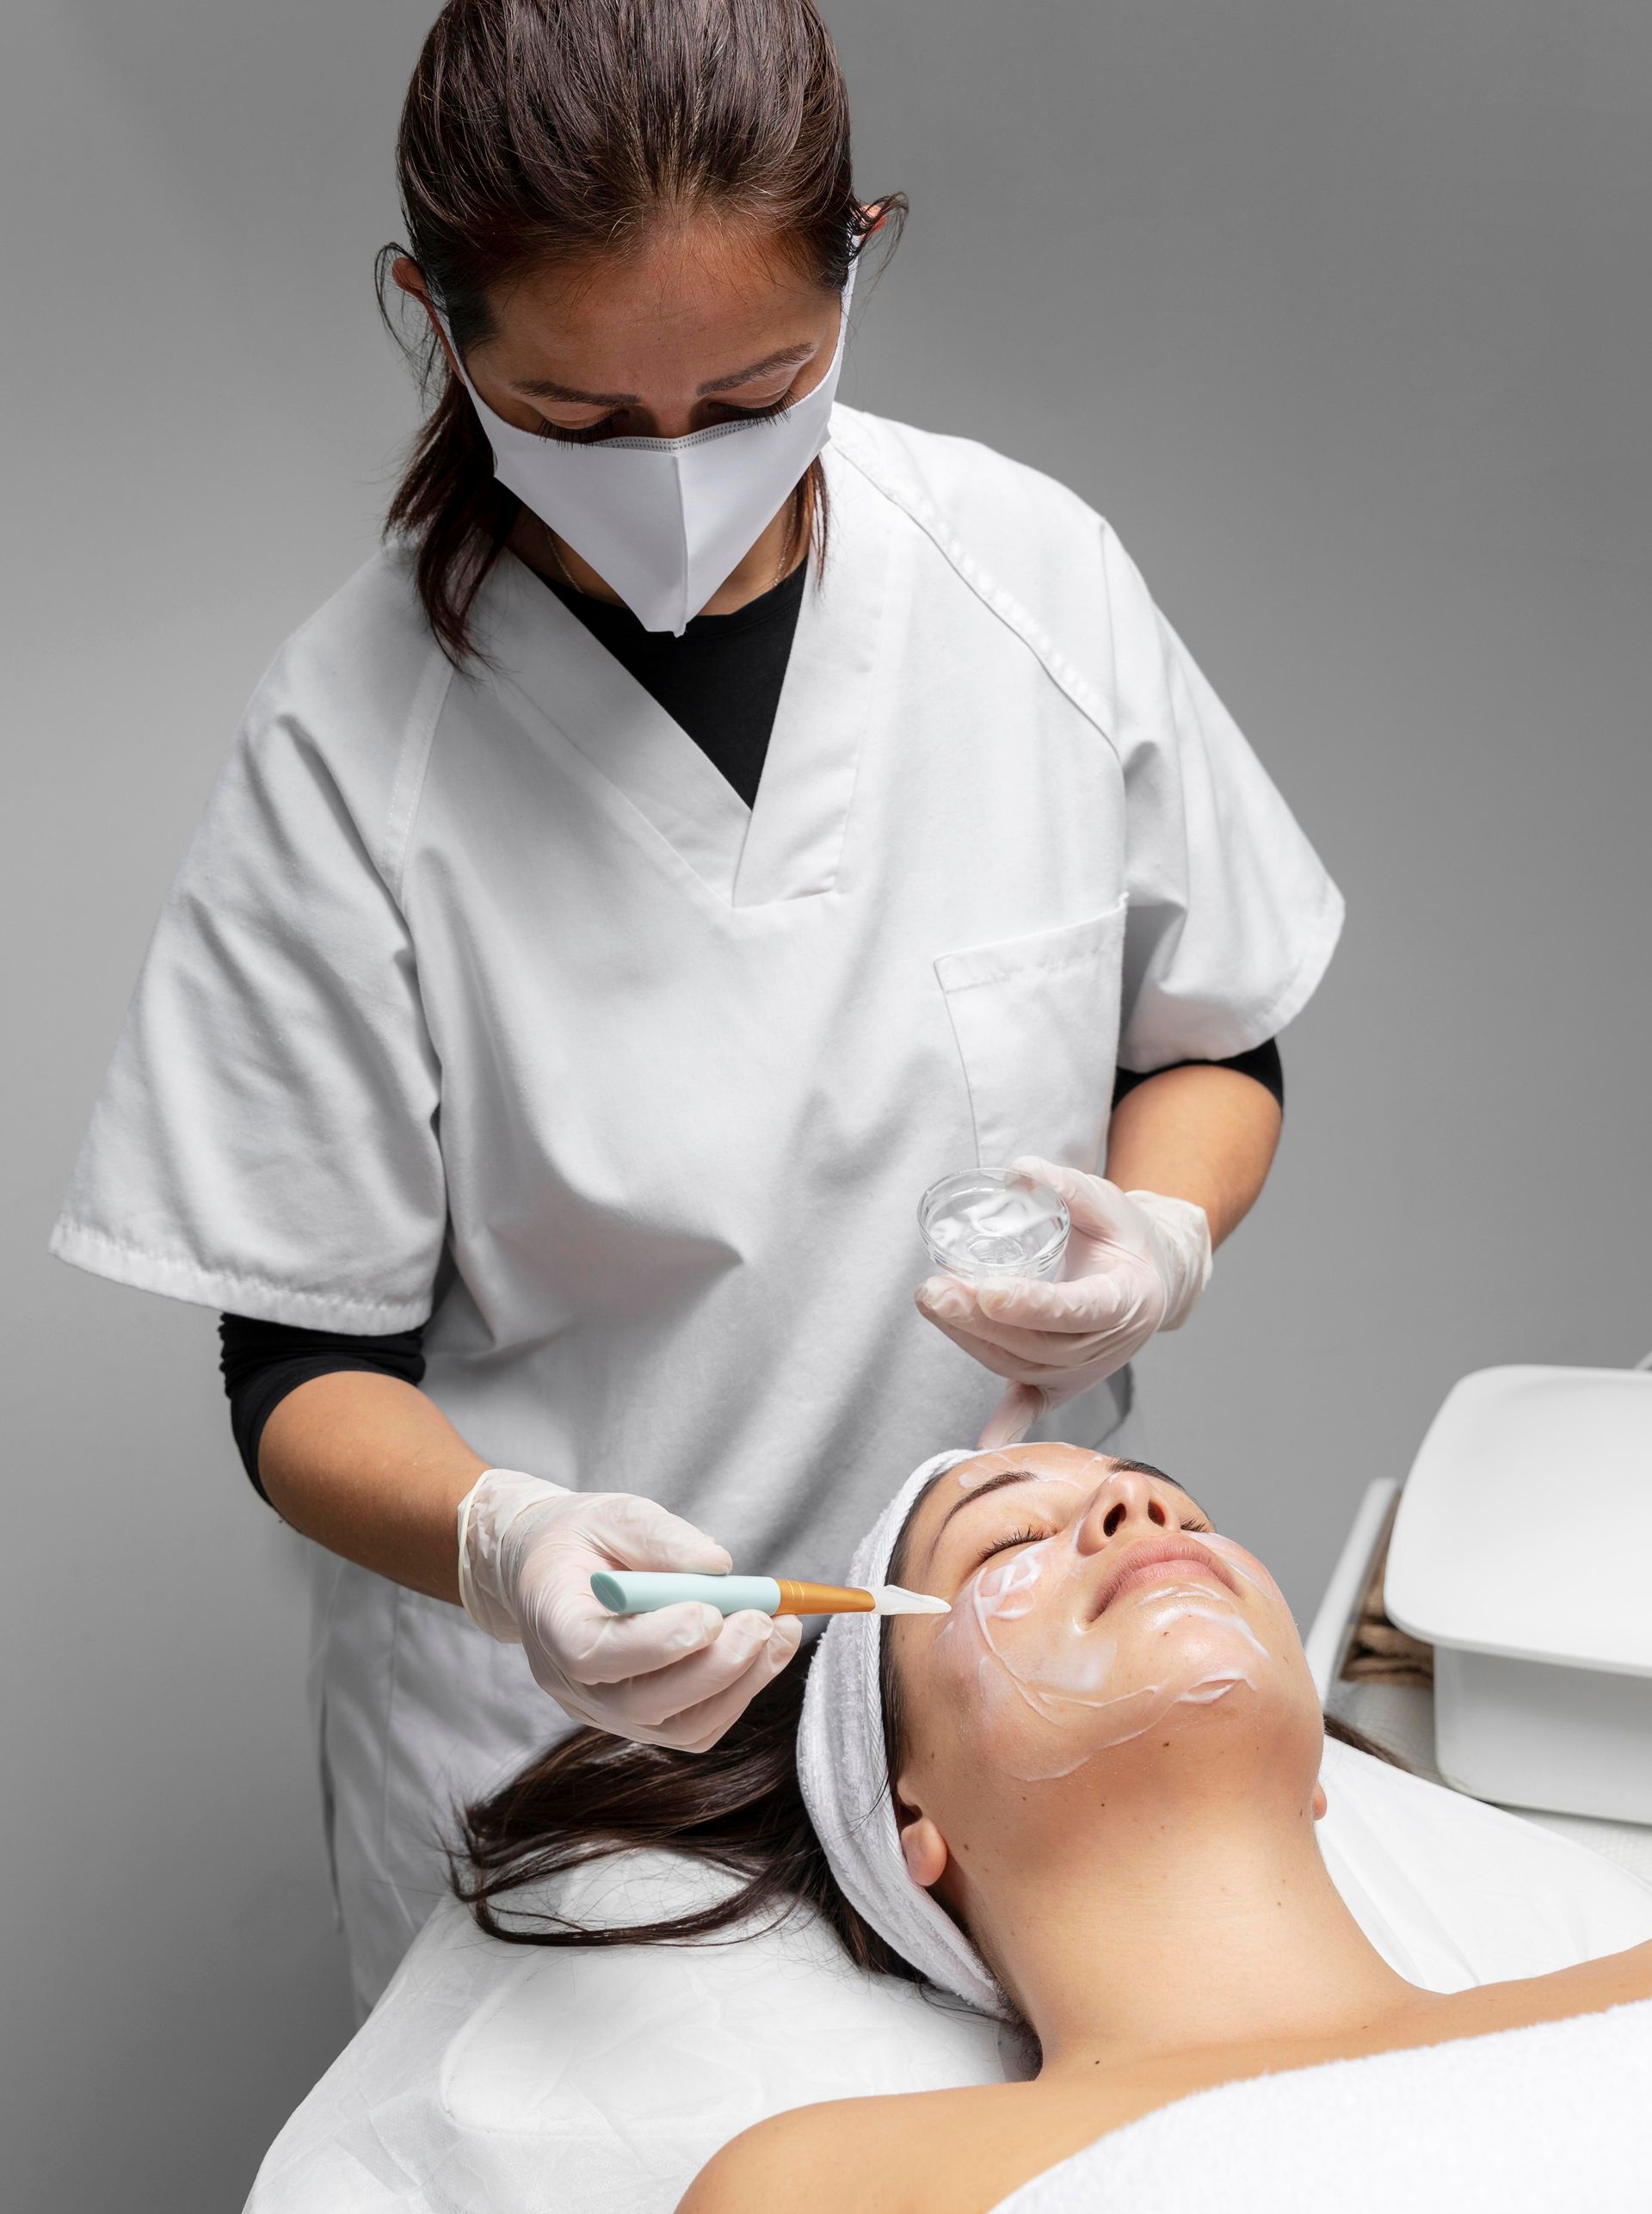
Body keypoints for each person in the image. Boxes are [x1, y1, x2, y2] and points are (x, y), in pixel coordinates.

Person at [51, 0, 1341, 2011]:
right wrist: (514, 1550)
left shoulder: (1029, 583)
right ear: (437, 314)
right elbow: (294, 1376)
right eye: (575, 417)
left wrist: (1165, 1234)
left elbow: (1211, 1041)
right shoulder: (351, 748)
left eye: (753, 392)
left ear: (859, 255)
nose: (672, 477)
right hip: (576, 1774)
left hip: (989, 1742)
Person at [457, 1446, 1652, 2214]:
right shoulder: (830, 2192)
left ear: (1321, 1766)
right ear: (905, 1808)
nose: (1140, 1505)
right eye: (1009, 1539)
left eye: (1174, 1505)